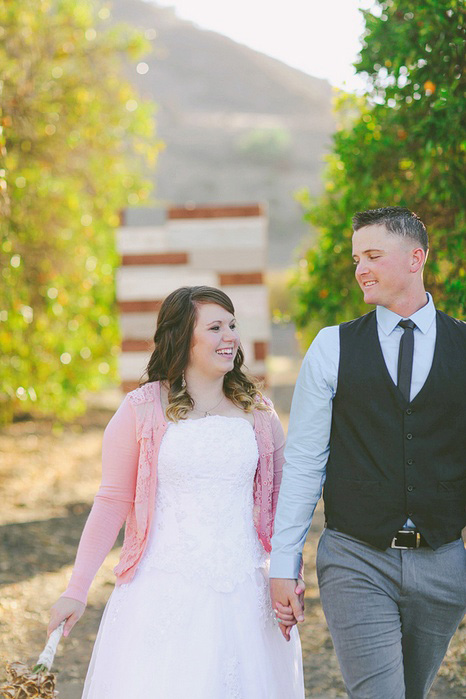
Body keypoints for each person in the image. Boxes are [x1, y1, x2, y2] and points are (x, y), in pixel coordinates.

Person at [48, 285, 305, 698]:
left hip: (245, 596)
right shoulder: (141, 409)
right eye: (216, 327)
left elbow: (283, 502)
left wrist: (290, 575)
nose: (230, 337)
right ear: (183, 338)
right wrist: (76, 590)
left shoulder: (258, 411)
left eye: (233, 325)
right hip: (162, 592)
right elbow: (113, 501)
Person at [269, 207, 465, 698]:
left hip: (443, 561)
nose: (361, 269)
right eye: (357, 258)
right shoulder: (331, 347)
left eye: (373, 255)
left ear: (416, 258)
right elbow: (305, 462)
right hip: (356, 558)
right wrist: (282, 563)